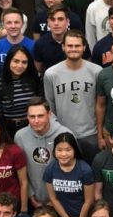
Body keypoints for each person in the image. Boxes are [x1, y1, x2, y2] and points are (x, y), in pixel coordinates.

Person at [43, 30, 101, 163]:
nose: (73, 49)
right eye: (70, 46)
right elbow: (49, 107)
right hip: (62, 133)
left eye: (77, 46)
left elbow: (101, 104)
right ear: (63, 47)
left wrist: (100, 134)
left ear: (84, 47)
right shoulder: (51, 74)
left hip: (90, 134)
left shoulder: (97, 71)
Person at [14, 97, 73, 208]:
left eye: (40, 116)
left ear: (49, 114)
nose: (36, 121)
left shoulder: (65, 134)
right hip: (34, 199)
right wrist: (30, 195)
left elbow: (73, 170)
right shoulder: (20, 137)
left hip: (63, 200)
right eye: (32, 117)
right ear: (27, 117)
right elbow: (21, 172)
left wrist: (56, 200)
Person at [43, 133, 95, 217]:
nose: (63, 154)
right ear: (54, 150)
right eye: (59, 150)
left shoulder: (85, 170)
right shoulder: (50, 168)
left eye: (68, 150)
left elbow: (88, 201)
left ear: (74, 150)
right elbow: (53, 199)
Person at [0, 45, 40, 137]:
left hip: (33, 127)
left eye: (24, 62)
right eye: (16, 61)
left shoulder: (34, 80)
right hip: (8, 130)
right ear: (8, 61)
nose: (20, 66)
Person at [32, 4, 90, 75]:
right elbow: (39, 69)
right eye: (52, 19)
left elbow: (88, 64)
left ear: (67, 21)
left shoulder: (79, 40)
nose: (56, 23)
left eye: (60, 19)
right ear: (48, 22)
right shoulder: (40, 44)